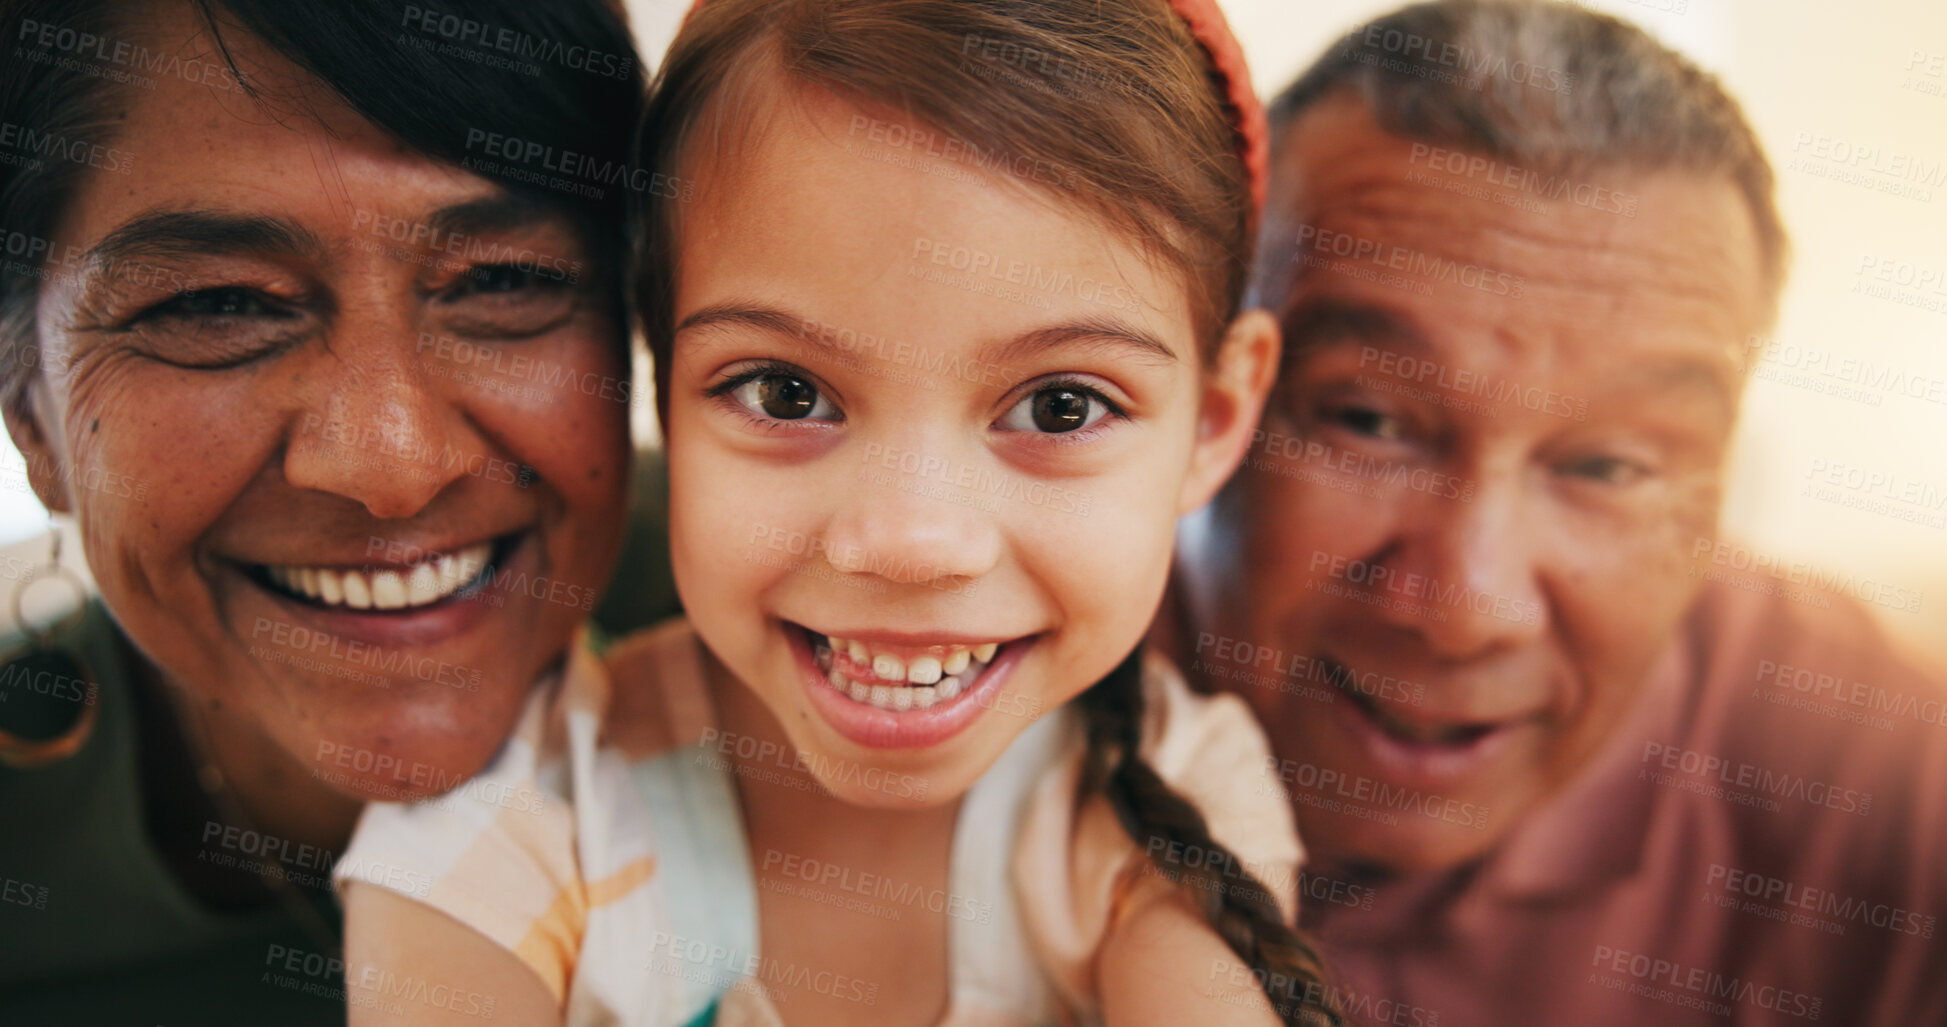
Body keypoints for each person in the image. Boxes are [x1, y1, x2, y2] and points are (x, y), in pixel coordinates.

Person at [337, 0, 1350, 1024]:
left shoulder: (1177, 797)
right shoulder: (507, 827)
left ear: (1215, 418)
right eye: (785, 393)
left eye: (1060, 406)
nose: (908, 541)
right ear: (657, 379)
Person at [1160, 1, 1947, 1024]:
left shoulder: (1859, 767)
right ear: (1219, 398)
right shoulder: (999, 687)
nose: (1465, 605)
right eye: (1366, 418)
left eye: (1609, 466)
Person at [0, 0, 654, 1021]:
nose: (392, 468)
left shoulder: (839, 627)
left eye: (505, 278)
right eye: (220, 305)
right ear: (28, 412)